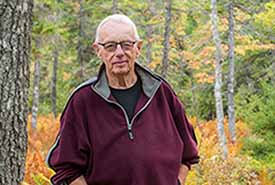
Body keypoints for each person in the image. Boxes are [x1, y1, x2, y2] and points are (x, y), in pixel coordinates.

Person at [46, 14, 199, 185]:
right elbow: (67, 169)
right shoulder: (83, 101)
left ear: (138, 48)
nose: (119, 53)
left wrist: (177, 182)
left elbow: (189, 152)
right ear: (98, 50)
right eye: (110, 46)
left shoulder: (161, 93)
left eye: (126, 44)